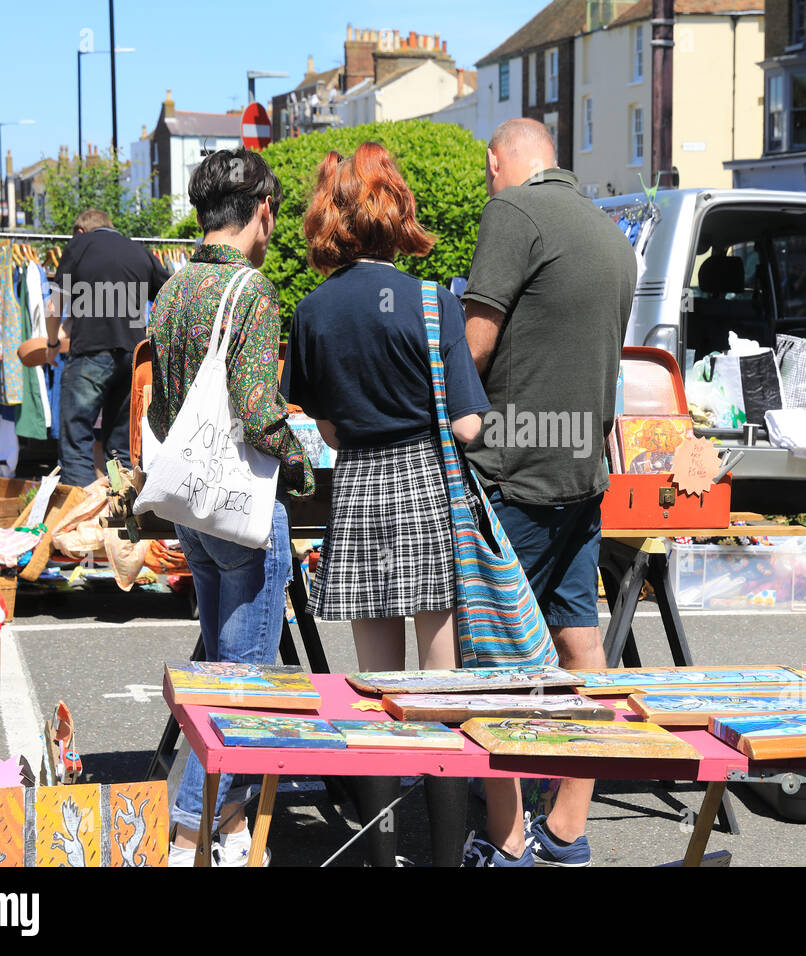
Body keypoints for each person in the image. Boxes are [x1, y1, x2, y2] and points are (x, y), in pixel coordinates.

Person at [287, 142, 491, 867]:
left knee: (375, 685)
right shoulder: (434, 302)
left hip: (360, 485)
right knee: (437, 684)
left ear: (328, 216)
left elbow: (328, 424)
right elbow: (468, 425)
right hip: (426, 485)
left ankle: (377, 855)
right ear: (395, 207)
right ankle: (441, 853)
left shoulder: (310, 312)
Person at [461, 118, 638, 866]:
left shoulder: (513, 212)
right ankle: (567, 826)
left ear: (500, 163)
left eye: (488, 172)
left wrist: (468, 424)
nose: (489, 185)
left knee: (490, 659)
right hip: (580, 471)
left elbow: (474, 344)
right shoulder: (610, 232)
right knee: (581, 645)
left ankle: (503, 841)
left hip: (517, 470)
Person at [146, 147, 315, 866]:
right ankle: (189, 831)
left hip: (191, 504)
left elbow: (158, 405)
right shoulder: (252, 292)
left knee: (218, 671)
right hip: (243, 509)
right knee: (241, 688)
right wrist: (300, 460)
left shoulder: (173, 288)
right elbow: (254, 409)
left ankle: (232, 822)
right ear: (264, 210)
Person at [46, 209, 170, 487]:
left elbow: (54, 304)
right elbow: (170, 294)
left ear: (80, 231)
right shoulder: (139, 251)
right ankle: (120, 514)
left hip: (91, 353)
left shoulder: (78, 245)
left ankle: (80, 518)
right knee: (120, 447)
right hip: (133, 358)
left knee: (76, 436)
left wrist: (52, 343)